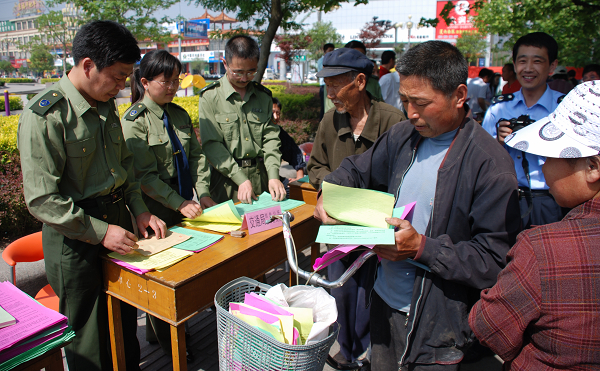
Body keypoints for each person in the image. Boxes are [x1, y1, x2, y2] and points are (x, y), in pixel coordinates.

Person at [314, 40, 521, 370]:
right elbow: (356, 168)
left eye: (422, 103)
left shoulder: (489, 166)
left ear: (459, 96)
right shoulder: (402, 136)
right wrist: (331, 191)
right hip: (383, 301)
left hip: (441, 325)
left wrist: (422, 248)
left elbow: (495, 261)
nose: (411, 113)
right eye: (405, 100)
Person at [17, 20, 167, 371]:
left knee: (124, 317)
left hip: (118, 224)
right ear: (88, 66)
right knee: (90, 338)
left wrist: (140, 211)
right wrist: (101, 232)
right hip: (75, 238)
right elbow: (41, 200)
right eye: (117, 77)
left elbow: (123, 167)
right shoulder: (47, 115)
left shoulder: (104, 104)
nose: (120, 87)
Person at [469, 81, 600, 370]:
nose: (542, 165)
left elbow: (490, 329)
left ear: (592, 167)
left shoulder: (544, 248)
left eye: (552, 154)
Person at [308, 47, 406, 370]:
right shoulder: (329, 121)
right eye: (328, 86)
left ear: (360, 82)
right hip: (338, 229)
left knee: (371, 296)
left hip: (375, 230)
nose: (331, 93)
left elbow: (402, 171)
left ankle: (367, 355)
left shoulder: (393, 121)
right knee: (342, 292)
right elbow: (316, 166)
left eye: (336, 86)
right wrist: (327, 189)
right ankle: (346, 350)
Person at [121, 49, 217, 357]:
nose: (174, 87)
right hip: (155, 210)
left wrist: (202, 192)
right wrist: (179, 203)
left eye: (177, 80)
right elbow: (144, 177)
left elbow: (198, 157)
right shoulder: (134, 121)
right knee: (161, 280)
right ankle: (174, 346)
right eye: (167, 81)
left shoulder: (178, 114)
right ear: (146, 82)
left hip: (182, 202)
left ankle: (161, 331)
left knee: (183, 270)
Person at [482, 32, 566, 229]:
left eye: (537, 61)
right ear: (514, 63)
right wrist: (498, 143)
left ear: (552, 66)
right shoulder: (498, 108)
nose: (528, 69)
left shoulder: (564, 107)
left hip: (551, 200)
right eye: (522, 61)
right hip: (506, 199)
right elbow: (481, 159)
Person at [199, 35, 286, 204]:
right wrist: (240, 178)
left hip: (260, 178)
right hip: (226, 182)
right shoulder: (210, 97)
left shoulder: (263, 96)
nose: (245, 78)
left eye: (251, 71)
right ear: (225, 63)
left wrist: (274, 175)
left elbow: (270, 138)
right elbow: (212, 145)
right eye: (238, 72)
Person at [324, 40, 384, 115]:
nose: (330, 95)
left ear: (361, 81)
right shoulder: (329, 120)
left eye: (360, 56)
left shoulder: (373, 83)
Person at [271, 97, 306, 192]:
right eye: (272, 112)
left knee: (297, 191)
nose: (275, 117)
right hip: (257, 180)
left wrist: (299, 178)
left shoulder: (280, 133)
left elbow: (295, 153)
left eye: (278, 113)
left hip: (276, 179)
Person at [318, 43, 335, 121]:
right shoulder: (322, 60)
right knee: (325, 106)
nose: (331, 52)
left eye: (333, 50)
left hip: (328, 85)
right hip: (324, 86)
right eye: (330, 50)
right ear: (325, 51)